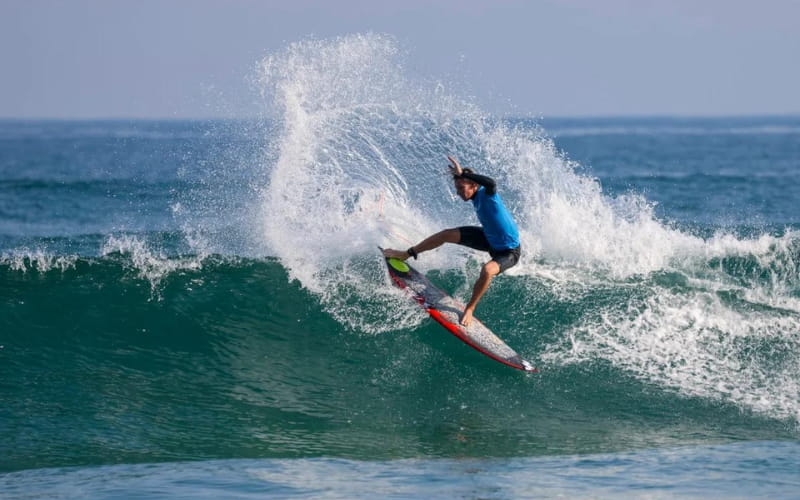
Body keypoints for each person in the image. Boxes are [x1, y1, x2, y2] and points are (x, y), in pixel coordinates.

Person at [383, 155, 521, 327]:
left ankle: (470, 308)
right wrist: (462, 176)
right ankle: (406, 254)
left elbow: (491, 182)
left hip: (508, 251)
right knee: (446, 234)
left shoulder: (487, 194)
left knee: (487, 270)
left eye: (461, 188)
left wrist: (464, 173)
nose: (458, 192)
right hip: (489, 238)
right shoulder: (475, 198)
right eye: (457, 188)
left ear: (474, 185)